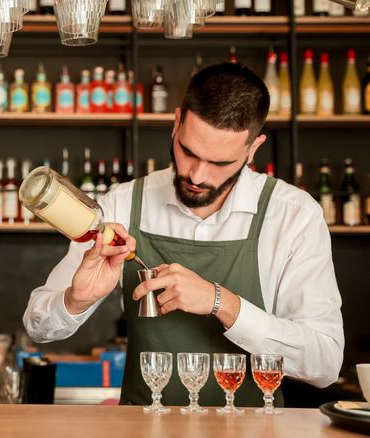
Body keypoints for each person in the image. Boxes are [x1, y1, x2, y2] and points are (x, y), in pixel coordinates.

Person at [22, 62, 344, 407]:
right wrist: (77, 299)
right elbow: (37, 325)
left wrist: (222, 303)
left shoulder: (294, 215)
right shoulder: (122, 203)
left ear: (253, 148)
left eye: (220, 163)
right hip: (142, 431)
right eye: (188, 151)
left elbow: (324, 363)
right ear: (176, 123)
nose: (197, 175)